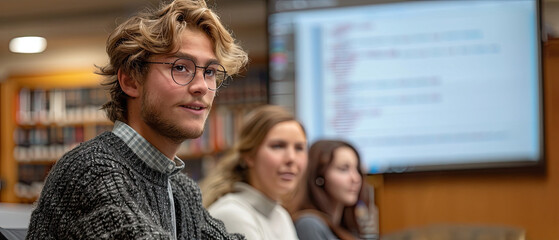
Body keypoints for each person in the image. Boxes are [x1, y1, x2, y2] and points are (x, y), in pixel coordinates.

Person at [26, 0, 248, 239]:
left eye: (210, 72)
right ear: (131, 81)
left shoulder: (182, 190)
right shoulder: (91, 169)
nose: (202, 86)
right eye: (180, 67)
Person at [199, 105, 307, 240]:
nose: (291, 158)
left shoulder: (280, 215)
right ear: (249, 155)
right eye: (278, 146)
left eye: (299, 148)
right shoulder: (231, 213)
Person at [289, 140, 379, 240]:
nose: (356, 178)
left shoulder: (345, 225)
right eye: (343, 169)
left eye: (357, 169)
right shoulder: (309, 224)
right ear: (319, 176)